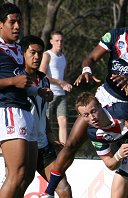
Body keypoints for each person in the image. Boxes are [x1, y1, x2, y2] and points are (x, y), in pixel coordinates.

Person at [41, 92, 128, 198]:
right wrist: (118, 155)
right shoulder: (94, 133)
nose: (92, 118)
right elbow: (109, 164)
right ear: (81, 117)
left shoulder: (120, 110)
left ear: (100, 106)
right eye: (86, 115)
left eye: (94, 111)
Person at [0, 3, 50, 197]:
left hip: (25, 111)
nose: (17, 26)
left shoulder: (18, 49)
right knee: (16, 172)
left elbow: (21, 84)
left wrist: (37, 91)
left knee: (27, 174)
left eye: (19, 22)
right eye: (12, 22)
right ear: (1, 24)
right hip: (8, 110)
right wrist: (13, 80)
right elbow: (15, 81)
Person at [73, 3, 128, 108]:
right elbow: (91, 58)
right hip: (105, 95)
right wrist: (86, 70)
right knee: (82, 121)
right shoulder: (115, 35)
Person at [20, 35, 72, 198]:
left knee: (64, 188)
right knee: (17, 186)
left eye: (40, 53)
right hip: (22, 144)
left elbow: (42, 112)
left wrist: (50, 136)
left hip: (42, 145)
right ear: (22, 53)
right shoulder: (16, 78)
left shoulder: (44, 80)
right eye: (32, 52)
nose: (36, 57)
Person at [40, 31, 72, 144]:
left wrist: (67, 84)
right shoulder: (47, 55)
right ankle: (47, 145)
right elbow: (42, 74)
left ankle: (63, 148)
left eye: (61, 41)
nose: (59, 43)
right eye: (57, 40)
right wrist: (60, 82)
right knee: (46, 120)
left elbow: (65, 76)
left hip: (61, 94)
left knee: (63, 121)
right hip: (49, 93)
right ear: (51, 41)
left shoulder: (64, 57)